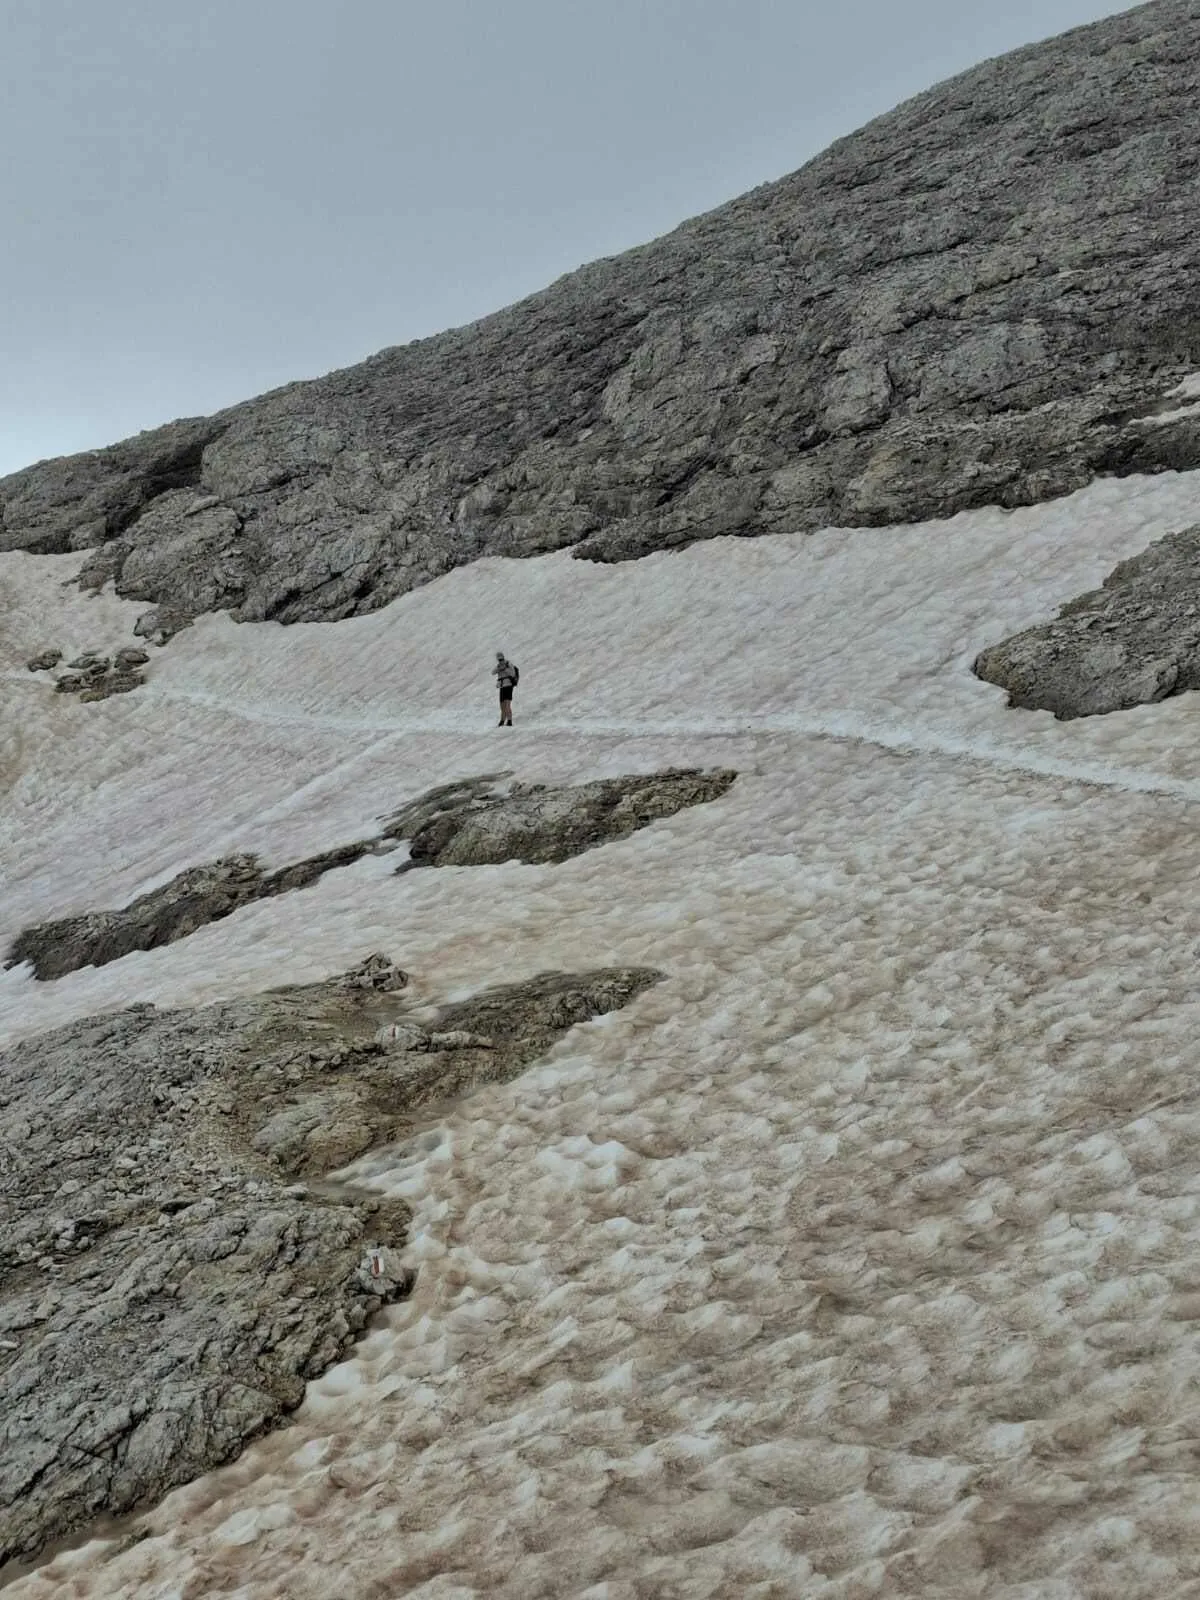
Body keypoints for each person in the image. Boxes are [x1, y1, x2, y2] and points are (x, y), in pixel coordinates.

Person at [493, 652, 519, 725]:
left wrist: (505, 669)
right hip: (502, 686)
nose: (500, 661)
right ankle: (502, 720)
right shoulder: (499, 666)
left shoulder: (508, 664)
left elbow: (513, 674)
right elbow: (493, 672)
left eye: (501, 659)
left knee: (507, 705)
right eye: (499, 660)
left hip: (508, 686)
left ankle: (509, 720)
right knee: (502, 705)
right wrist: (499, 668)